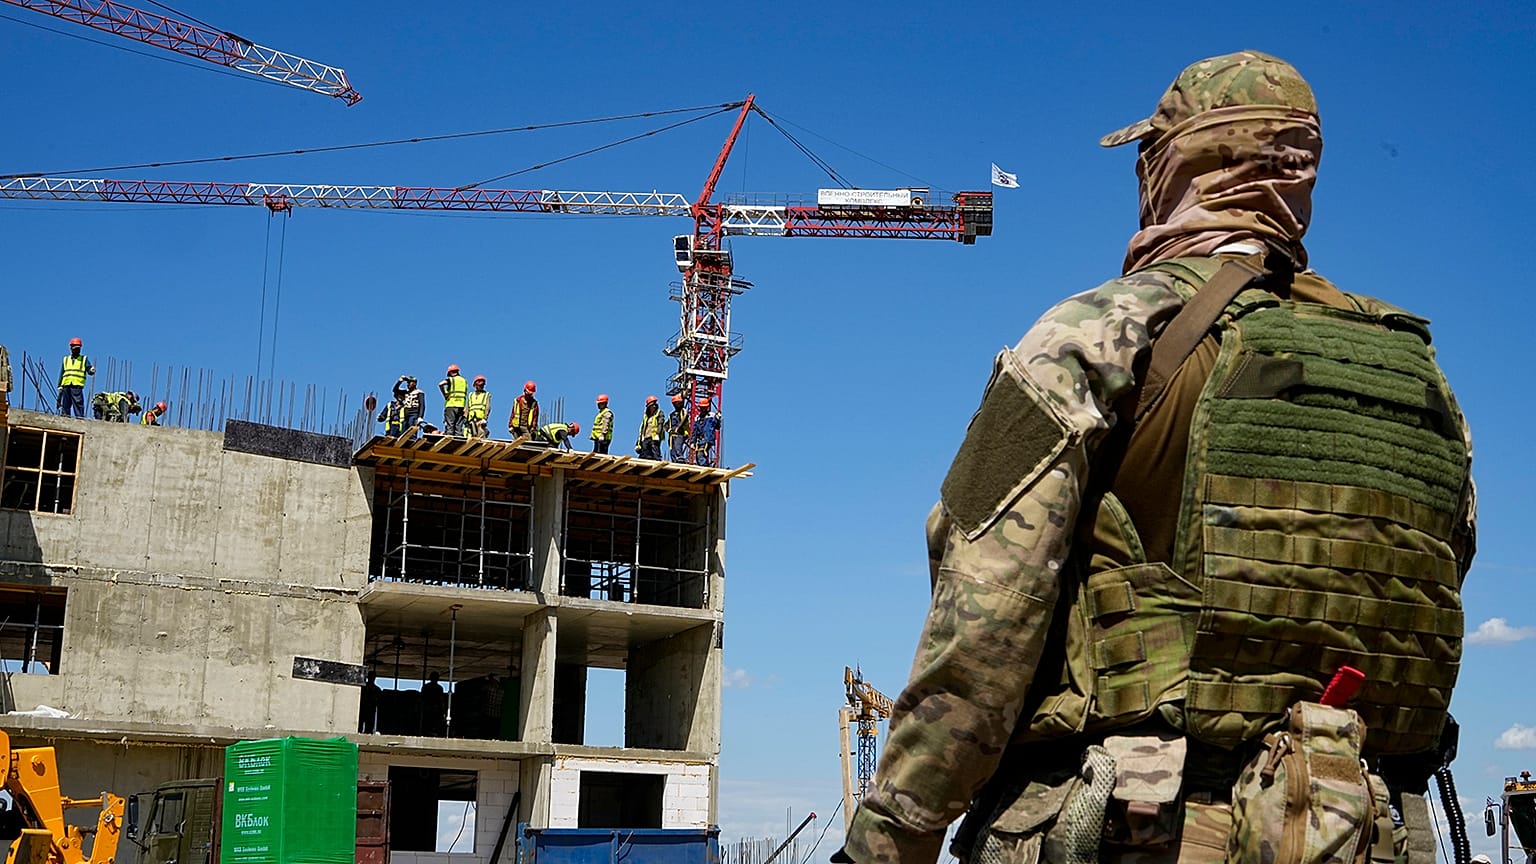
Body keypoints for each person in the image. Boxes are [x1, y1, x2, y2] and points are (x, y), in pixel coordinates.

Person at [837, 51, 1477, 864]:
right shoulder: (1418, 375)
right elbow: (1437, 579)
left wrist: (893, 836)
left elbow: (984, 616)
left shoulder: (1102, 331)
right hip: (1361, 830)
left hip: (1137, 823)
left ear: (1176, 164)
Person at [57, 337, 94, 418]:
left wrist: (91, 370)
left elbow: (88, 368)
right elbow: (62, 372)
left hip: (76, 385)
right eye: (75, 348)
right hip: (66, 384)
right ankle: (65, 417)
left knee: (78, 403)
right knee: (65, 404)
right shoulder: (66, 359)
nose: (77, 350)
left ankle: (79, 418)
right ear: (71, 348)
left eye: (78, 348)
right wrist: (59, 385)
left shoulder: (83, 359)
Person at [439, 364, 468, 436]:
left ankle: (450, 440)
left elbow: (440, 384)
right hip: (461, 406)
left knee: (450, 425)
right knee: (458, 426)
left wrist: (445, 394)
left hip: (451, 405)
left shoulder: (451, 380)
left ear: (450, 373)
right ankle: (458, 440)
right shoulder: (464, 380)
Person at [635, 395, 664, 460]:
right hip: (646, 438)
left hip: (654, 437)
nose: (654, 406)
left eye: (654, 405)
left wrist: (658, 434)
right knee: (644, 455)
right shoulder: (646, 416)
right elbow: (642, 429)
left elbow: (660, 424)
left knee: (655, 454)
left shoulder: (659, 413)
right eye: (652, 405)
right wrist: (638, 443)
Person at [421, 672, 446, 737]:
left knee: (433, 724)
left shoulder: (438, 688)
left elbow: (441, 700)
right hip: (430, 709)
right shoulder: (429, 687)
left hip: (433, 709)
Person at [666, 394, 690, 462]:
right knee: (672, 449)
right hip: (672, 435)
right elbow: (666, 424)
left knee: (677, 447)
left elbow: (685, 418)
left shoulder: (683, 411)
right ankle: (674, 460)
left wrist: (678, 428)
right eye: (676, 403)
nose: (678, 404)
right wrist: (668, 429)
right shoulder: (672, 414)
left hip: (680, 433)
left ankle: (680, 459)